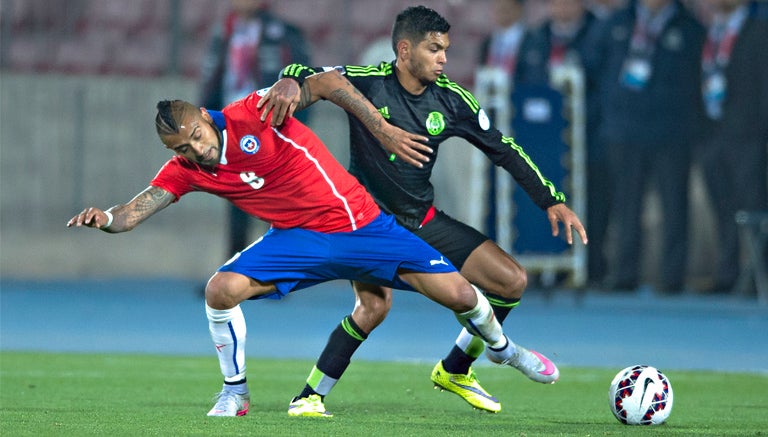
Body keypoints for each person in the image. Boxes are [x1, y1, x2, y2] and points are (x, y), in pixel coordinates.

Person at [66, 73, 561, 418]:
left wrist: (373, 122)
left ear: (203, 117)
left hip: (360, 223)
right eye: (181, 148)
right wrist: (105, 218)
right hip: (298, 241)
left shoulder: (252, 112)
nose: (195, 149)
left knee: (462, 297)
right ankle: (235, 393)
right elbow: (132, 214)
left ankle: (503, 350)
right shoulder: (186, 170)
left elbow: (328, 82)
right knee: (219, 291)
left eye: (195, 136)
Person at [261, 5, 588, 414]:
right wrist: (289, 80)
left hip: (422, 220)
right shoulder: (368, 84)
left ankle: (454, 369)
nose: (443, 59)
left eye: (446, 49)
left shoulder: (451, 100)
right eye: (434, 49)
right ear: (404, 50)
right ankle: (309, 396)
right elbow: (311, 77)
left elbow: (503, 149)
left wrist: (550, 199)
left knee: (511, 281)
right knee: (374, 307)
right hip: (368, 225)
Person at [591, 0, 705, 293]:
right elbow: (593, 67)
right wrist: (610, 112)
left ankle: (672, 278)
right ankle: (624, 274)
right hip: (624, 131)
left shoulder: (690, 27)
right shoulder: (618, 23)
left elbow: (699, 79)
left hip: (672, 133)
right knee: (626, 207)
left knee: (674, 206)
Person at [199, 0, 311, 258]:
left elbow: (304, 80)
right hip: (232, 125)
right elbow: (212, 77)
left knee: (277, 198)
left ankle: (278, 267)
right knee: (238, 198)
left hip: (269, 125)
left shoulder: (281, 31)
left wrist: (296, 127)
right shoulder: (225, 30)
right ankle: (235, 269)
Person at [514, 0, 610, 286]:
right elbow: (523, 84)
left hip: (590, 137)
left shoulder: (601, 33)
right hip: (543, 142)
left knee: (591, 203)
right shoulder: (535, 37)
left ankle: (590, 268)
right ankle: (546, 266)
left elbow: (605, 87)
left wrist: (576, 117)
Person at [697, 0, 768, 293]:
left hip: (749, 136)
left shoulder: (759, 32)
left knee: (753, 208)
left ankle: (758, 276)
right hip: (712, 134)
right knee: (723, 209)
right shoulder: (709, 32)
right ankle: (728, 273)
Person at [479, 0, 528, 78]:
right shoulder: (487, 42)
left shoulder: (531, 40)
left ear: (518, 9)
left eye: (505, 6)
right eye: (496, 5)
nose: (500, 9)